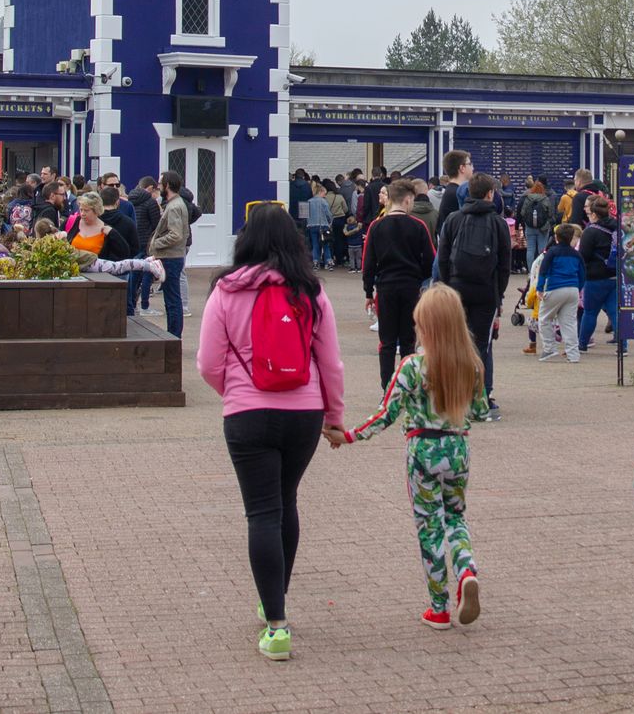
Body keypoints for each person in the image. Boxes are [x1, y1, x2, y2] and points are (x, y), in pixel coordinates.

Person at [196, 205, 346, 662]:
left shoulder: (225, 290)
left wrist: (236, 392)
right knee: (287, 502)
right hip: (303, 410)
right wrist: (333, 416)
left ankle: (276, 624)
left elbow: (207, 362)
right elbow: (331, 363)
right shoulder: (311, 291)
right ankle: (273, 599)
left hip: (247, 414)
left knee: (261, 512)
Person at [338, 285, 490, 629]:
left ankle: (439, 607)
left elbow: (385, 414)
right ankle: (466, 569)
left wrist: (349, 435)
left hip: (422, 450)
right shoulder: (472, 366)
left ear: (426, 327)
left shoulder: (411, 366)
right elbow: (480, 412)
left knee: (430, 527)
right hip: (458, 450)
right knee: (455, 517)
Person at [437, 174, 511, 422]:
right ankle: (481, 398)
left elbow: (443, 259)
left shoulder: (453, 219)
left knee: (455, 343)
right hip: (485, 291)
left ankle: (453, 397)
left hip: (457, 289)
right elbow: (504, 264)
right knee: (482, 345)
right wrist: (498, 294)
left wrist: (448, 287)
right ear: (490, 193)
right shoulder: (498, 223)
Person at [362, 178, 436, 389]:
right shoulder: (418, 226)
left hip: (385, 288)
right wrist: (420, 279)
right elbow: (431, 260)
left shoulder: (376, 227)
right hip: (411, 288)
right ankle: (408, 386)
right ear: (407, 200)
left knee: (386, 342)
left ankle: (386, 389)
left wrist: (369, 292)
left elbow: (369, 263)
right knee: (408, 341)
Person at [534, 223, 585, 362]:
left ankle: (549, 348)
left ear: (556, 237)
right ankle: (573, 354)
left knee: (544, 319)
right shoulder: (576, 254)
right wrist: (578, 288)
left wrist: (539, 288)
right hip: (573, 289)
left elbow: (543, 271)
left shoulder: (552, 252)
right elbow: (582, 275)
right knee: (569, 323)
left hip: (555, 287)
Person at [147, 172, 191, 336]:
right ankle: (173, 334)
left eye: (160, 183)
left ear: (167, 185)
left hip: (171, 257)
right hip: (172, 256)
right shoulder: (175, 204)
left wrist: (155, 243)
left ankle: (173, 335)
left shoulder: (174, 206)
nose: (158, 186)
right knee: (172, 300)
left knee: (172, 301)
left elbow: (176, 234)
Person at [576, 194, 621, 355]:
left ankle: (582, 345)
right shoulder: (618, 226)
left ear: (594, 214)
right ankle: (623, 346)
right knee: (615, 312)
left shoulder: (591, 231)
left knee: (590, 312)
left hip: (594, 277)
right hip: (614, 275)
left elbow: (583, 256)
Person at [516, 179, 555, 270]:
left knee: (530, 249)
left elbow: (522, 213)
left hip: (529, 227)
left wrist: (526, 222)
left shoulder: (527, 198)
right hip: (543, 228)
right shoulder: (545, 199)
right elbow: (550, 214)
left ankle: (531, 271)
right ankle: (541, 270)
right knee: (542, 250)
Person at [435, 149, 474, 238]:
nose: (473, 168)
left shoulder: (451, 191)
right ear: (462, 168)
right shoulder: (458, 194)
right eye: (470, 164)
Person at [305, 180, 334, 270]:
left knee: (315, 244)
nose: (325, 196)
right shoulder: (323, 202)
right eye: (324, 194)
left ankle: (315, 262)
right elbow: (328, 214)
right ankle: (328, 262)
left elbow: (305, 215)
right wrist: (330, 222)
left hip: (312, 226)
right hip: (323, 225)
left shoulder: (308, 201)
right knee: (325, 244)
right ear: (320, 192)